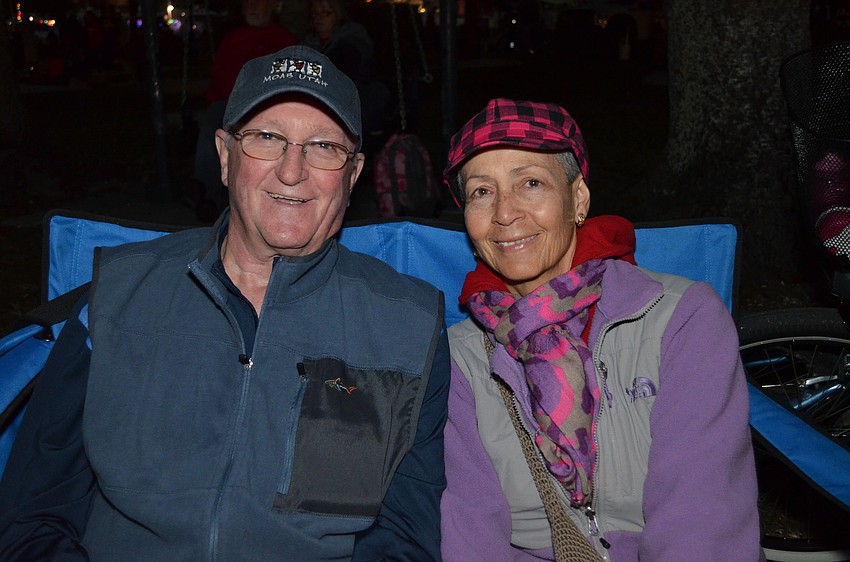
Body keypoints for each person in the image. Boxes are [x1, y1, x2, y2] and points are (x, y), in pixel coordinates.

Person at [0, 45, 449, 561]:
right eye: (266, 138)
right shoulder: (115, 298)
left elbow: (404, 538)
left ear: (351, 175)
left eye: (324, 146)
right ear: (223, 154)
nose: (291, 170)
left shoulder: (409, 324)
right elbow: (32, 515)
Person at [439, 98, 763, 561]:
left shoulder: (681, 320)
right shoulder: (463, 356)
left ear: (578, 199)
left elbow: (703, 520)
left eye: (531, 183)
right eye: (481, 192)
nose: (504, 213)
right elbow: (472, 531)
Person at [192, 0, 298, 220]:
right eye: (248, 3)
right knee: (212, 125)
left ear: (271, 7)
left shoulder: (284, 41)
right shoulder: (233, 38)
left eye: (259, 3)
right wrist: (212, 101)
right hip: (227, 103)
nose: (252, 7)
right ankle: (207, 195)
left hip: (264, 104)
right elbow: (217, 77)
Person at [302, 0, 389, 146]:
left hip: (355, 108)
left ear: (338, 13)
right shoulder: (308, 43)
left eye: (326, 13)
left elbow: (340, 74)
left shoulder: (352, 39)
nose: (320, 18)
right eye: (315, 13)